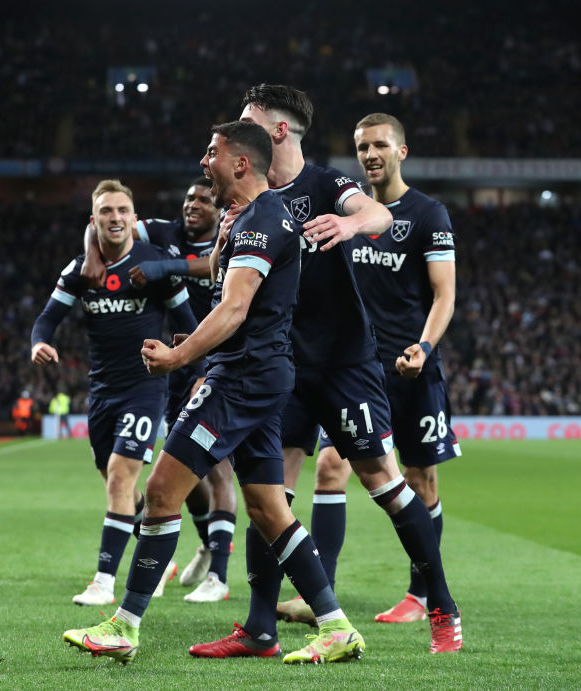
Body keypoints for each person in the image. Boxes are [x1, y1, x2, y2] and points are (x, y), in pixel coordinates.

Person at [63, 120, 364, 666]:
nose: (204, 161)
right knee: (269, 509)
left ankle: (124, 625)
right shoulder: (253, 217)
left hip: (242, 378)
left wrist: (181, 357)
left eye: (212, 153)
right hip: (261, 373)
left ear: (241, 163)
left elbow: (234, 308)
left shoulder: (260, 220)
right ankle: (335, 626)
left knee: (159, 492)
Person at [216, 85, 462, 655]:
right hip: (283, 366)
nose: (238, 128)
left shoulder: (327, 184)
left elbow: (375, 212)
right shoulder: (252, 198)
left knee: (384, 481)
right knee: (267, 493)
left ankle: (443, 606)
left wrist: (350, 226)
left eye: (248, 120)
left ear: (277, 131)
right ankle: (259, 628)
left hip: (346, 365)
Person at [300, 113, 462, 627]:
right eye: (362, 146)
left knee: (420, 479)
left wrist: (423, 347)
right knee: (330, 467)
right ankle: (317, 594)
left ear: (402, 151)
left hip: (412, 367)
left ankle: (421, 594)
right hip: (355, 369)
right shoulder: (346, 212)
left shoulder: (428, 214)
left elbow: (445, 294)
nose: (370, 154)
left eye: (379, 145)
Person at [31, 179, 197, 608]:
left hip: (145, 387)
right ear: (95, 220)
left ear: (134, 218)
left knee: (121, 479)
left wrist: (188, 365)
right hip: (101, 391)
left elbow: (189, 324)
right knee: (116, 485)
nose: (116, 218)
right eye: (107, 211)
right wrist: (38, 343)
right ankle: (158, 557)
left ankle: (104, 581)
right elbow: (47, 319)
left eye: (123, 210)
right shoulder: (79, 271)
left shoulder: (154, 266)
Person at [127, 178, 238, 603]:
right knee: (183, 469)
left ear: (220, 209)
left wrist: (165, 267)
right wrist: (93, 257)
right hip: (174, 366)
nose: (194, 204)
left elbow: (210, 264)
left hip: (217, 364)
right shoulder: (164, 231)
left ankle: (220, 577)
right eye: (189, 197)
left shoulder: (230, 239)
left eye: (204, 199)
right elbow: (105, 225)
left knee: (218, 468)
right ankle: (209, 548)